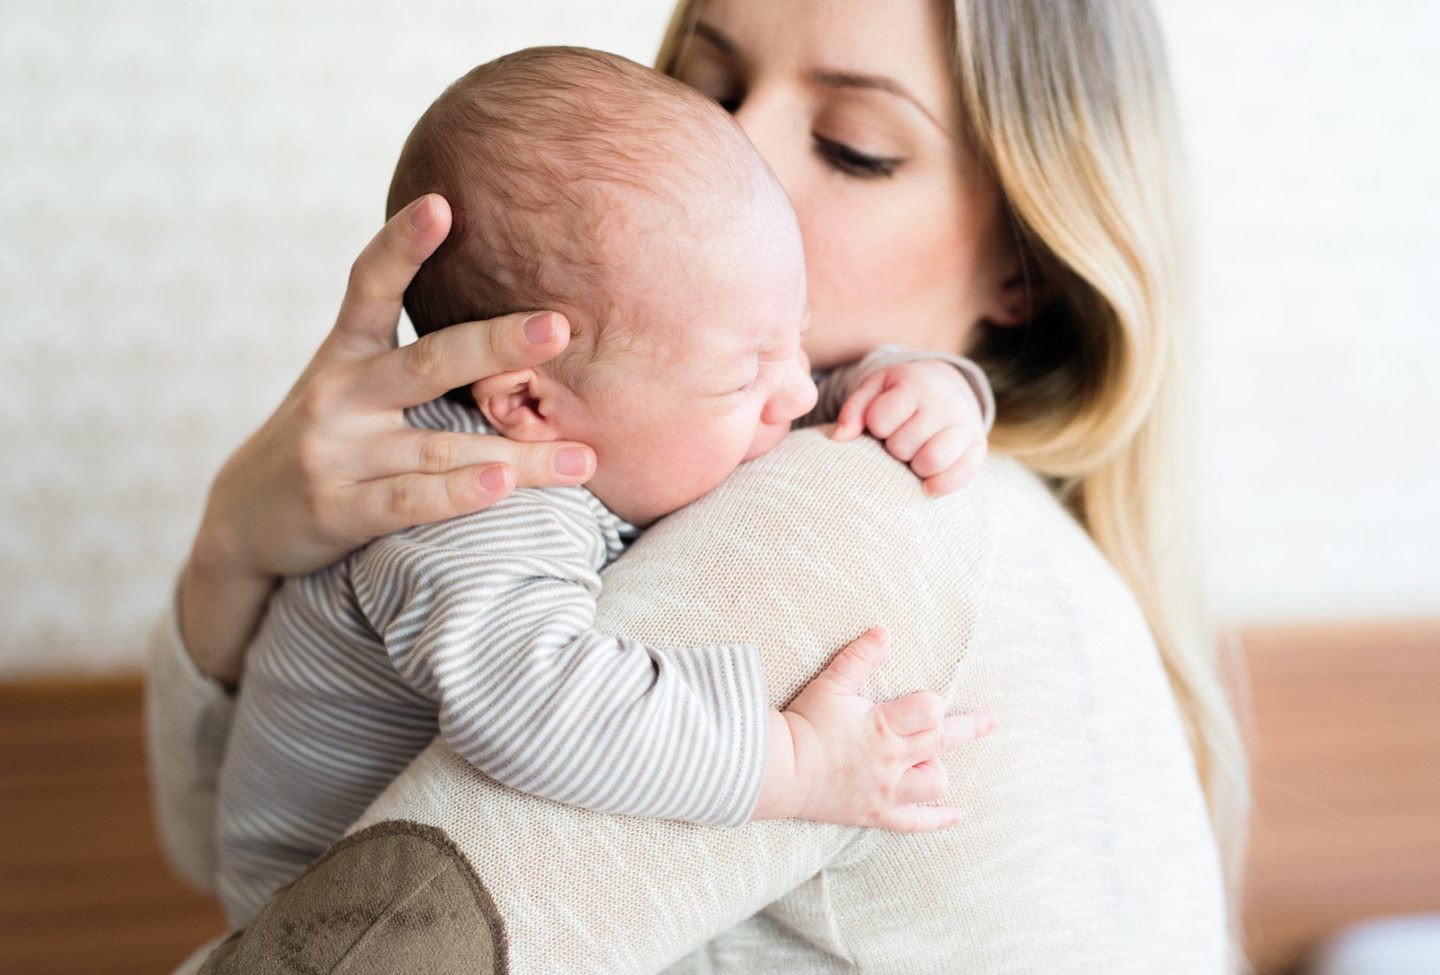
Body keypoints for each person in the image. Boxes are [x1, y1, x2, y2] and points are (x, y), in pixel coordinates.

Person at [146, 0, 1250, 971]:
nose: (735, 148)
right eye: (710, 83)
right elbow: (246, 854)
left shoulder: (848, 511)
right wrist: (237, 545)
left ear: (1023, 265)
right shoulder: (518, 494)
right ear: (530, 398)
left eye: (853, 145)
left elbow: (343, 934)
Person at [213, 46, 997, 925]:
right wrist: (795, 760)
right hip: (326, 906)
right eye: (746, 375)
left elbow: (784, 389)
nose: (799, 390)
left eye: (799, 336)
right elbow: (539, 707)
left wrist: (920, 386)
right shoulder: (470, 504)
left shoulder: (646, 386)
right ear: (528, 402)